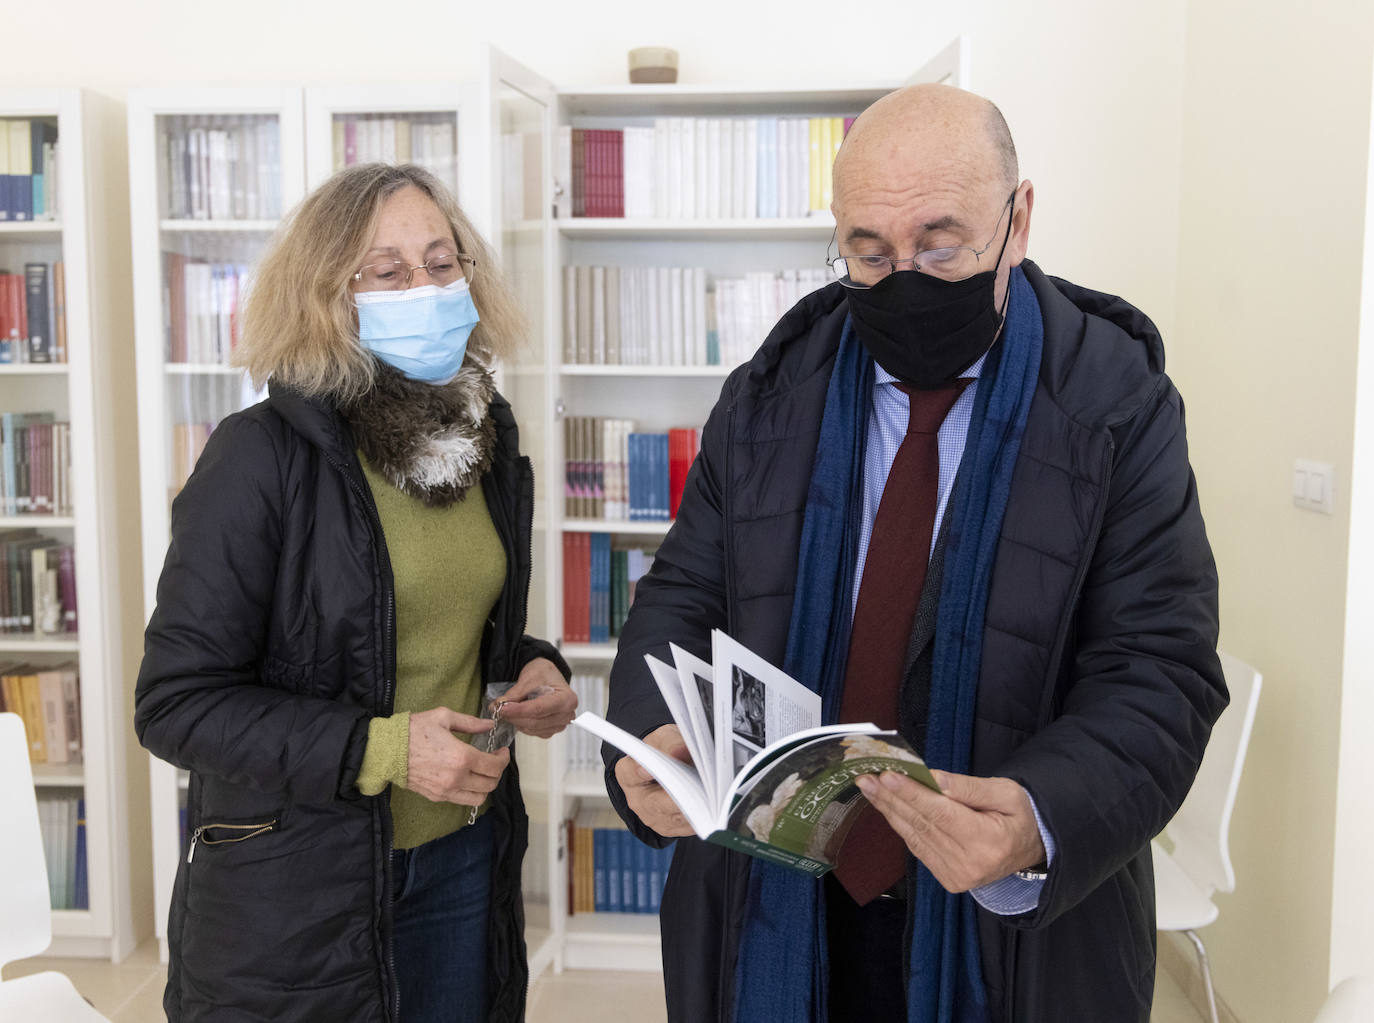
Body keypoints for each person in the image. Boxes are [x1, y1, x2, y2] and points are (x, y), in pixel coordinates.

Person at [603, 84, 1227, 1023]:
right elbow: (679, 598)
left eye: (940, 244)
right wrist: (656, 733)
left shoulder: (1116, 405)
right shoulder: (767, 396)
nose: (904, 279)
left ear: (1019, 221)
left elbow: (1162, 669)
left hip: (1013, 935)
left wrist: (1041, 816)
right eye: (869, 251)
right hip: (778, 903)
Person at [134, 162, 577, 1023]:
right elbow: (175, 704)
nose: (426, 286)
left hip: (462, 856)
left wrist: (535, 670)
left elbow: (442, 625)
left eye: (443, 263)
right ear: (330, 296)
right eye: (388, 271)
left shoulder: (484, 437)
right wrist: (385, 749)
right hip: (300, 887)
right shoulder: (258, 455)